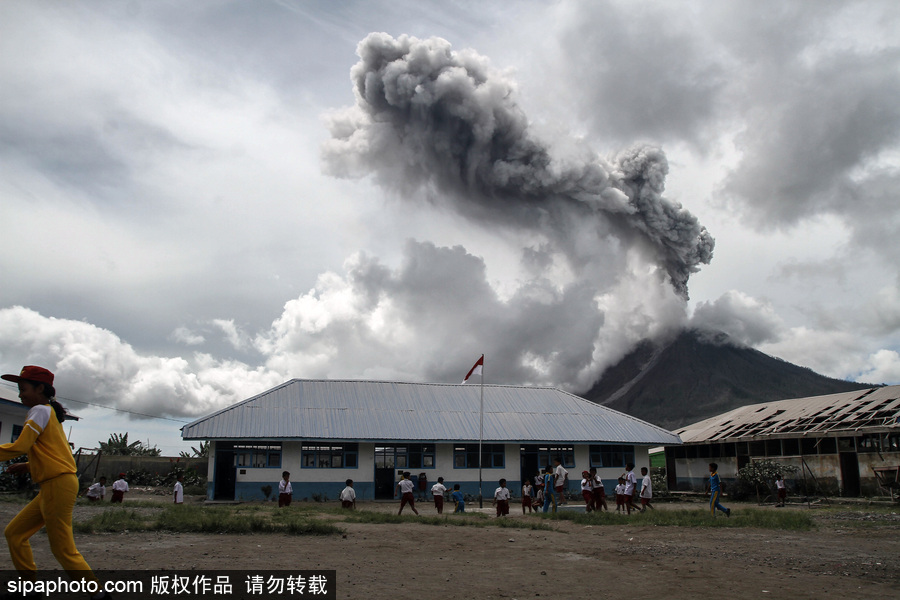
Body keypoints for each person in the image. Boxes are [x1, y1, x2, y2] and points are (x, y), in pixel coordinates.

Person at [0, 366, 112, 599]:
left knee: (62, 548)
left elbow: (20, 447)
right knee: (14, 534)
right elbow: (56, 454)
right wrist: (29, 465)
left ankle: (99, 594)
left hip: (58, 484)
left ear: (40, 388)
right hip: (55, 483)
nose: (20, 394)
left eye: (23, 389)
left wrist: (22, 458)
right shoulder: (48, 412)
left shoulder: (39, 410)